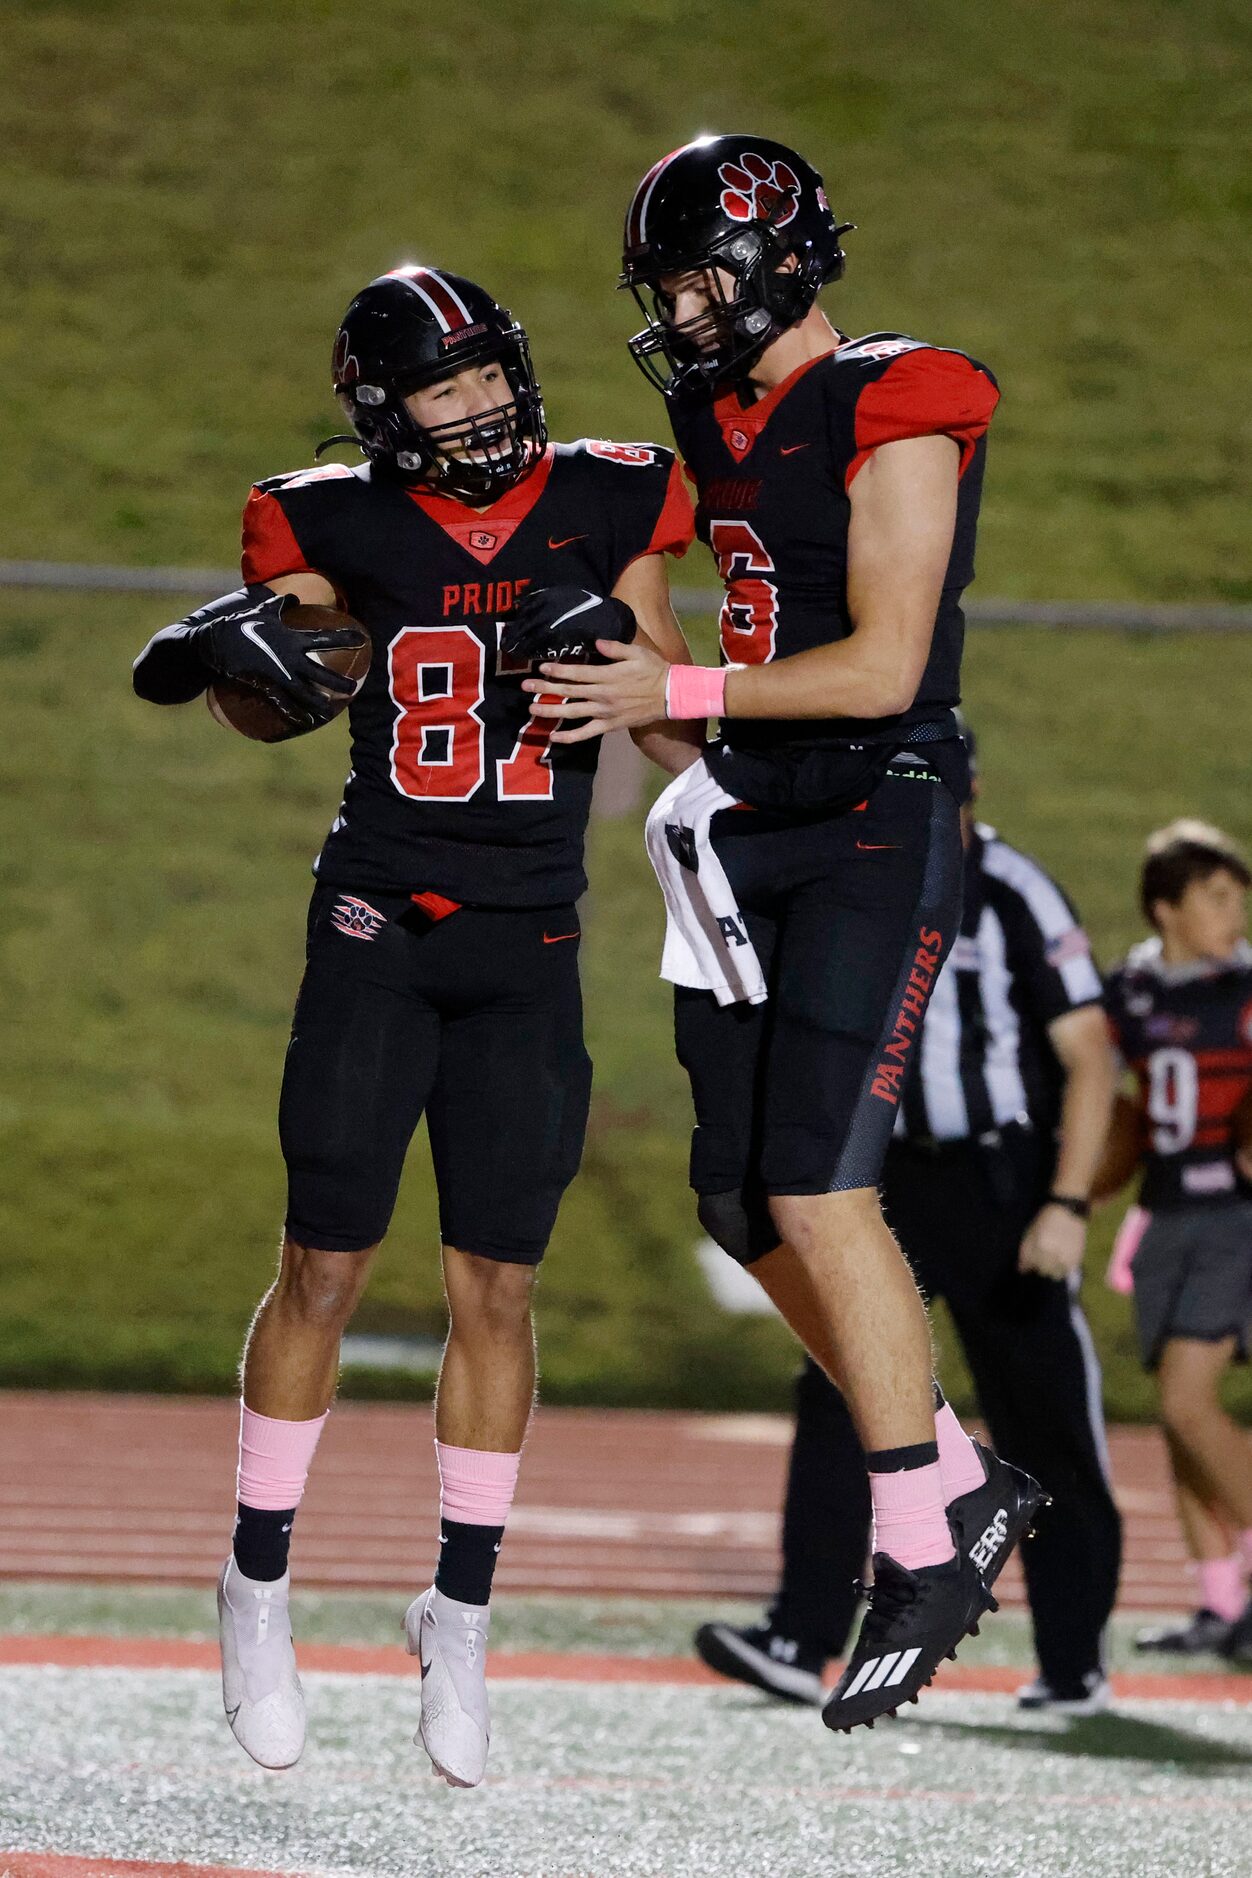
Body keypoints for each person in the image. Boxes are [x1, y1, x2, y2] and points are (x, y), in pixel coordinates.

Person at [132, 264, 697, 1785]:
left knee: (497, 1291)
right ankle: (256, 1586)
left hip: (532, 933)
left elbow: (667, 715)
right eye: (446, 388)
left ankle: (459, 1611)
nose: (484, 404)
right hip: (378, 921)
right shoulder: (328, 519)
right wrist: (243, 676)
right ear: (389, 415)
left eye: (492, 372)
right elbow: (282, 691)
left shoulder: (610, 493)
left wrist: (649, 677)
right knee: (322, 1259)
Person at [527, 133, 1044, 1732]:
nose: (677, 312)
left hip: (879, 809)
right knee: (743, 1196)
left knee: (822, 1183)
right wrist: (632, 646)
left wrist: (670, 693)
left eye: (693, 278)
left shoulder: (899, 394)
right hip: (758, 814)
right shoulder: (709, 413)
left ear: (773, 264)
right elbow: (688, 644)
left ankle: (922, 1534)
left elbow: (886, 665)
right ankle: (960, 1480)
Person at [694, 721, 1123, 1715]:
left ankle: (1070, 1657)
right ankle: (803, 1634)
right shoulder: (861, 862)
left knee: (1043, 1406)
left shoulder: (1011, 888)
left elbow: (1090, 1054)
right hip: (880, 1176)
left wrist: (1064, 1201)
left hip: (998, 1177)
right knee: (845, 1380)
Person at [1101, 821, 1252, 1662]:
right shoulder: (1127, 991)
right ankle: (1219, 1602)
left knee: (1189, 1405)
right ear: (1167, 908)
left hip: (1236, 1213)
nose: (1235, 914)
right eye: (1217, 898)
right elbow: (1091, 1082)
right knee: (1179, 1421)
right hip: (1162, 1211)